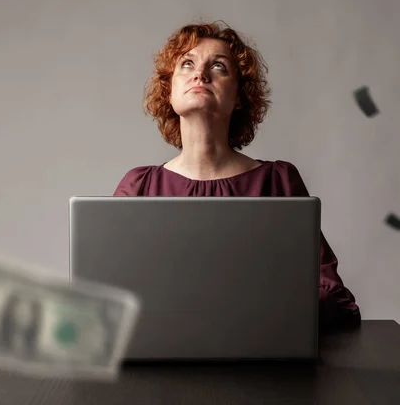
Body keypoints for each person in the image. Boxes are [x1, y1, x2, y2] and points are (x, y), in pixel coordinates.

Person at [113, 21, 361, 332]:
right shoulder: (138, 186)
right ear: (169, 90)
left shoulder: (279, 181)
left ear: (240, 96)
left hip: (262, 366)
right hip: (163, 366)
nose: (200, 74)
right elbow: (109, 298)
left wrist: (247, 311)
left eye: (218, 66)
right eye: (187, 64)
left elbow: (336, 299)